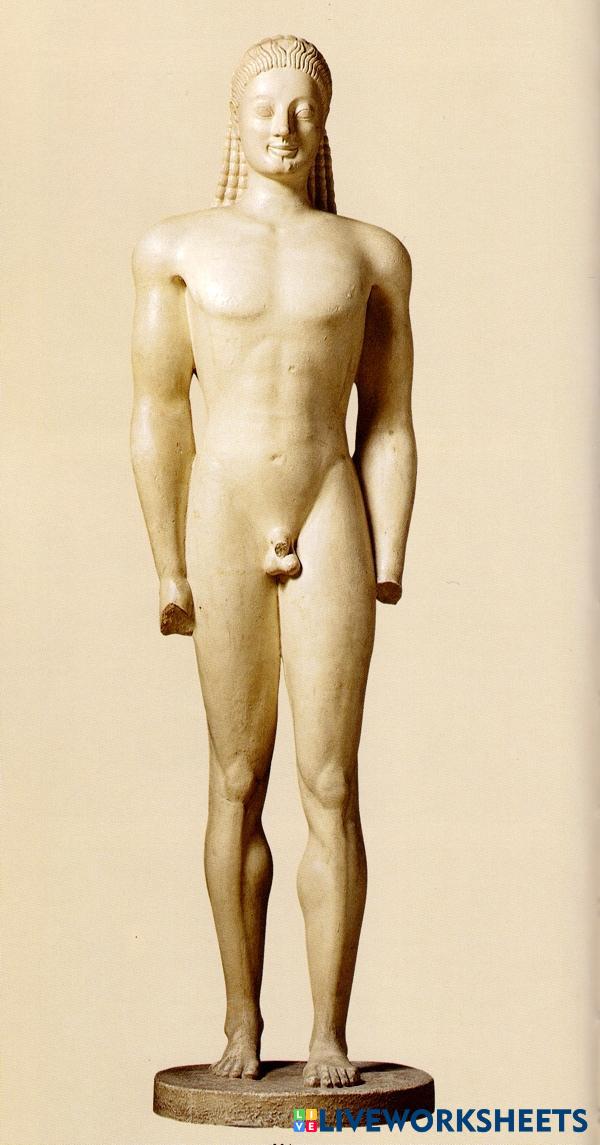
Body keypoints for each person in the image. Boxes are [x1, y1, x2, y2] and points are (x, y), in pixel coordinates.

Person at [131, 34, 416, 1090]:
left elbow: (389, 416)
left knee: (331, 781)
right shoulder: (176, 248)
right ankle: (242, 1020)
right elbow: (159, 410)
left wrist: (391, 547)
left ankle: (330, 1031)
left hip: (326, 498)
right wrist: (168, 561)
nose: (283, 127)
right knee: (235, 776)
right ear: (236, 118)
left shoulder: (372, 255)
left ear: (324, 121)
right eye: (264, 106)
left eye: (301, 108)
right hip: (225, 502)